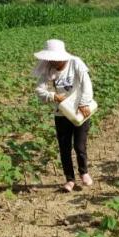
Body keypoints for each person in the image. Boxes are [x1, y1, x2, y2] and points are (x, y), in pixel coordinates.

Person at [32, 39, 94, 192]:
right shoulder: (48, 69)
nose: (53, 61)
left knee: (79, 145)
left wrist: (84, 103)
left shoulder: (75, 63)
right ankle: (70, 180)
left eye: (55, 58)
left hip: (80, 111)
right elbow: (39, 90)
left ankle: (84, 172)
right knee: (64, 148)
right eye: (51, 59)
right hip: (61, 114)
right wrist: (53, 96)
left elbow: (87, 84)